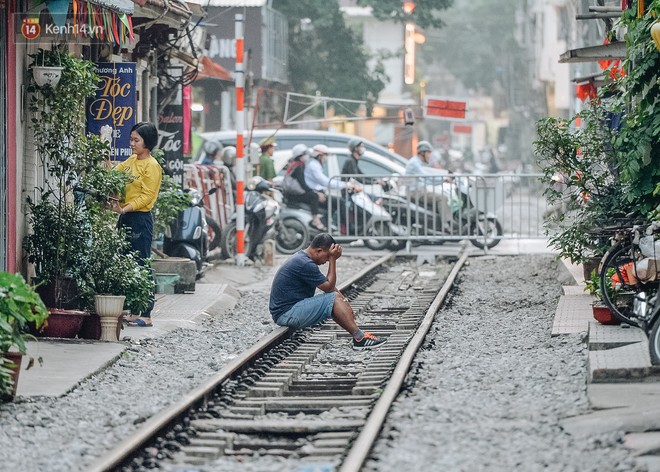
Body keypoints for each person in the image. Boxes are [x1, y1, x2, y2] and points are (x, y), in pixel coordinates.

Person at [269, 233, 387, 350]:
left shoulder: (302, 258)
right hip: (286, 314)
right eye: (327, 256)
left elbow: (329, 288)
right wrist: (333, 260)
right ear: (319, 251)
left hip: (290, 310)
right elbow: (329, 287)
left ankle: (359, 336)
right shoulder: (304, 263)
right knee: (333, 298)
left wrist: (344, 302)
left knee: (334, 298)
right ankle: (360, 338)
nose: (326, 261)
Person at [113, 122, 163, 327]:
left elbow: (147, 197)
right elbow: (115, 173)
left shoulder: (152, 166)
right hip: (125, 217)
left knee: (141, 264)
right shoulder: (132, 160)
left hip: (140, 219)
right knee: (126, 263)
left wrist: (124, 208)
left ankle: (146, 313)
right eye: (131, 139)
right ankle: (134, 311)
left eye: (136, 140)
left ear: (147, 143)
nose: (132, 144)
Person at [404, 140, 452, 224]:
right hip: (416, 192)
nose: (430, 155)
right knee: (442, 198)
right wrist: (444, 179)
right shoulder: (414, 163)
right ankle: (446, 224)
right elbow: (427, 177)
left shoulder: (418, 162)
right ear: (422, 153)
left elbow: (429, 176)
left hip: (419, 190)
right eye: (428, 153)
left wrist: (443, 178)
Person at [283, 144, 325, 231]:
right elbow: (303, 185)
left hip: (291, 193)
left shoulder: (295, 165)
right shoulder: (298, 167)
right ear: (300, 156)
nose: (306, 156)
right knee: (314, 196)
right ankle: (315, 220)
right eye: (304, 154)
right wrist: (316, 193)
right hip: (293, 194)